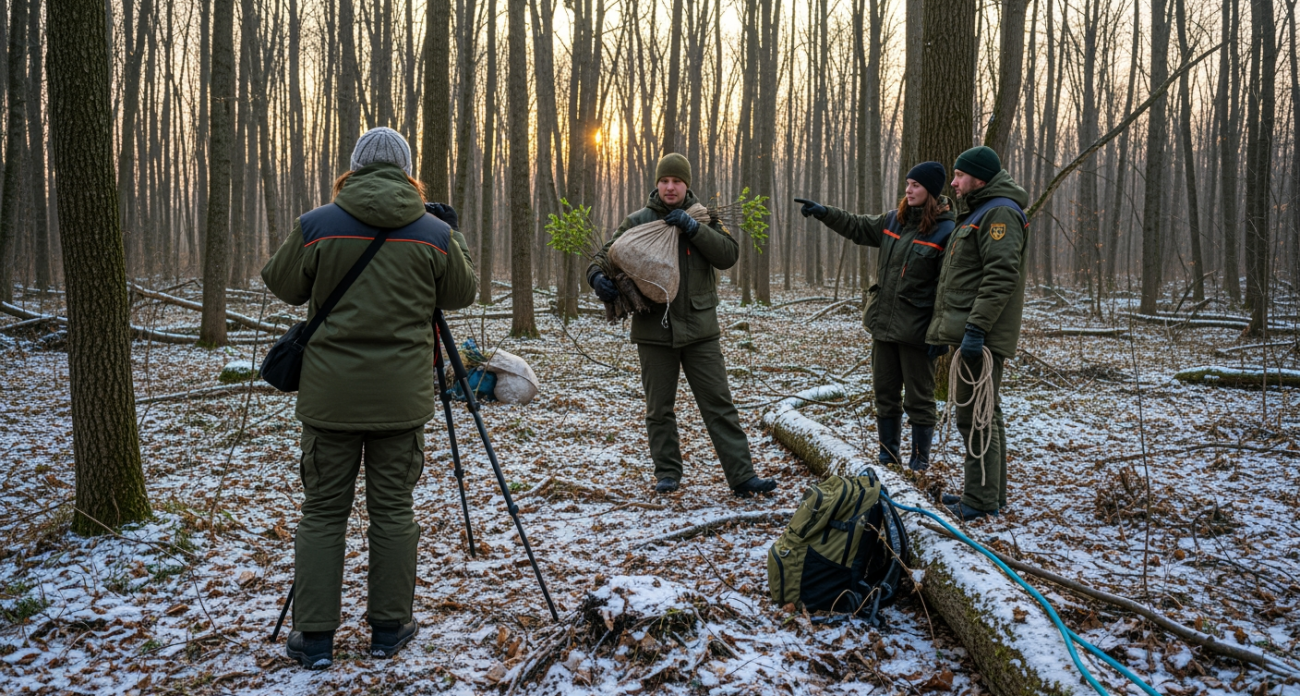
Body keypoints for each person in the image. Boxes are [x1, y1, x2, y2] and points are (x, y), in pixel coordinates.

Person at [261, 126, 479, 669]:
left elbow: (282, 283)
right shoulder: (431, 232)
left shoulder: (317, 225)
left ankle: (313, 638)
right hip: (400, 402)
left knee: (322, 513)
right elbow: (462, 293)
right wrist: (452, 234)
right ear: (407, 171)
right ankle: (389, 628)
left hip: (329, 399)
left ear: (354, 167)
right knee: (393, 511)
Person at [587, 153, 777, 497]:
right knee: (659, 409)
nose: (670, 187)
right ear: (657, 184)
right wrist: (597, 278)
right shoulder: (638, 221)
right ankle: (668, 475)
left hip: (700, 329)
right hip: (653, 331)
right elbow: (604, 255)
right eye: (664, 181)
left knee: (719, 404)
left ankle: (742, 476)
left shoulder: (705, 217)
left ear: (687, 184)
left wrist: (694, 229)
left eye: (676, 181)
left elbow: (728, 255)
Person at [794, 162, 957, 473]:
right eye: (908, 184)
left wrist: (940, 335)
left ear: (932, 193)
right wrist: (824, 212)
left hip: (917, 334)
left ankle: (919, 464)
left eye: (916, 186)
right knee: (885, 395)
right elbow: (856, 225)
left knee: (920, 402)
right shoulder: (892, 222)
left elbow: (948, 290)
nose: (908, 190)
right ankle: (888, 458)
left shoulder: (946, 232)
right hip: (883, 328)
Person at [926, 145, 1030, 521]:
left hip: (982, 336)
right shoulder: (979, 211)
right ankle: (988, 495)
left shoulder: (999, 213)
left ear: (979, 179)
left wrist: (975, 329)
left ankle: (981, 502)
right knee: (986, 413)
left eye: (959, 176)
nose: (952, 183)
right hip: (974, 332)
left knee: (976, 417)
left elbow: (1000, 276)